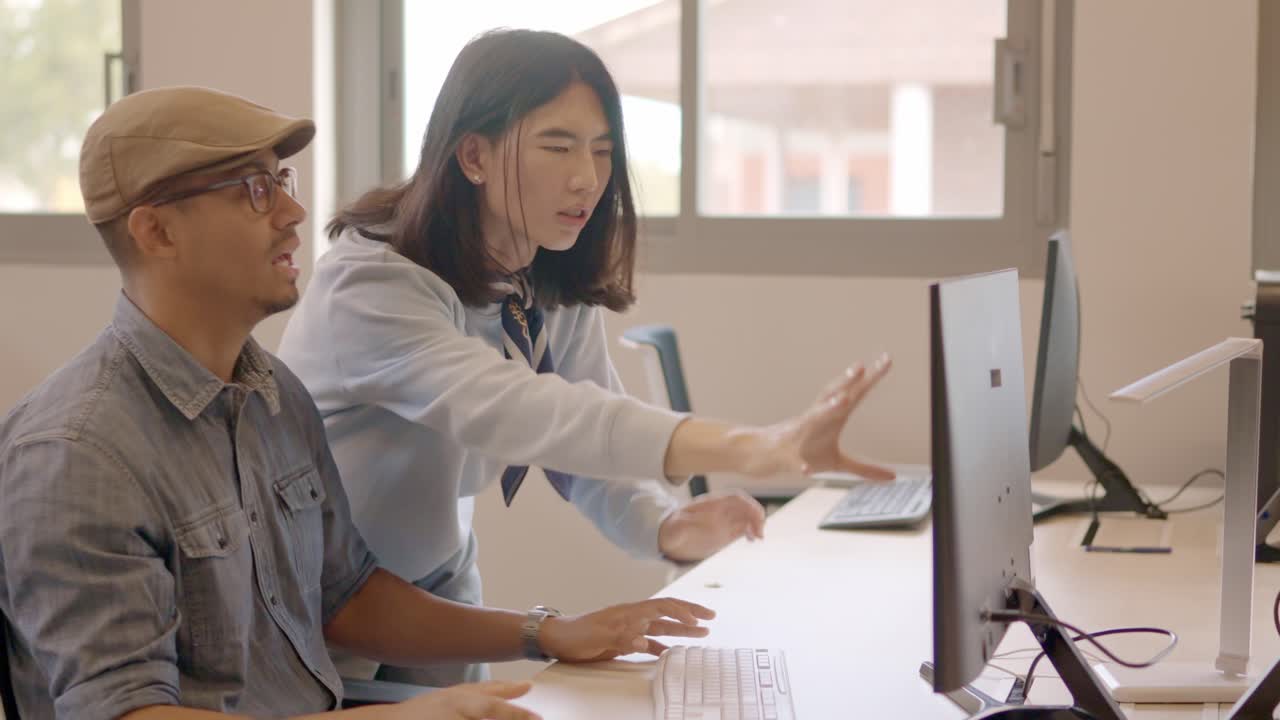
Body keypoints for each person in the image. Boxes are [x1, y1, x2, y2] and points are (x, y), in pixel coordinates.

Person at [0, 85, 716, 720]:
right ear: (155, 231)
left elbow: (346, 598)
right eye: (253, 189)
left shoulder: (275, 397)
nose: (293, 210)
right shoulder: (74, 454)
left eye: (280, 179)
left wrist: (545, 632)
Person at [278, 29, 893, 687]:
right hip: (320, 609)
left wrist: (666, 524)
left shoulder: (541, 273)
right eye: (558, 146)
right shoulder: (371, 283)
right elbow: (526, 412)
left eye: (603, 152)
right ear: (473, 155)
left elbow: (586, 443)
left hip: (438, 578)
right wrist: (763, 445)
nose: (588, 179)